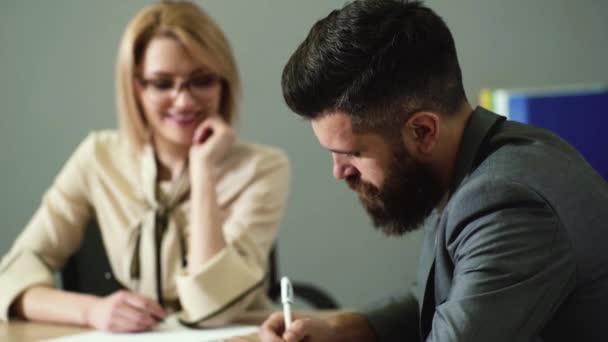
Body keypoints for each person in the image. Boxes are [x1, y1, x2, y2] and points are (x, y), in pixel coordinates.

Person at [259, 0, 608, 341]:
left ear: (422, 130)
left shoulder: (508, 202)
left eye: (351, 153)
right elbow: (444, 298)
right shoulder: (471, 163)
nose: (339, 171)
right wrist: (341, 328)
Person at [0, 1, 289, 333]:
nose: (183, 100)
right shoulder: (98, 157)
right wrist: (89, 310)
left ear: (224, 83)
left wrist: (202, 171)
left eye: (202, 80)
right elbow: (10, 276)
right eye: (163, 83)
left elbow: (210, 309)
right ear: (136, 87)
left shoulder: (263, 168)